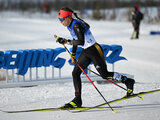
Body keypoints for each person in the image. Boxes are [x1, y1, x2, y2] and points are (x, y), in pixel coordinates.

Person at [56, 7, 135, 108]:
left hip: (94, 50)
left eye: (62, 19)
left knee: (104, 75)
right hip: (86, 51)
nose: (61, 22)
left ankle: (127, 81)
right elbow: (75, 39)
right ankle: (77, 100)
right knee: (75, 73)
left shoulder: (76, 25)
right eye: (59, 20)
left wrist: (66, 41)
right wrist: (74, 54)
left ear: (68, 17)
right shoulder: (70, 25)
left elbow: (81, 41)